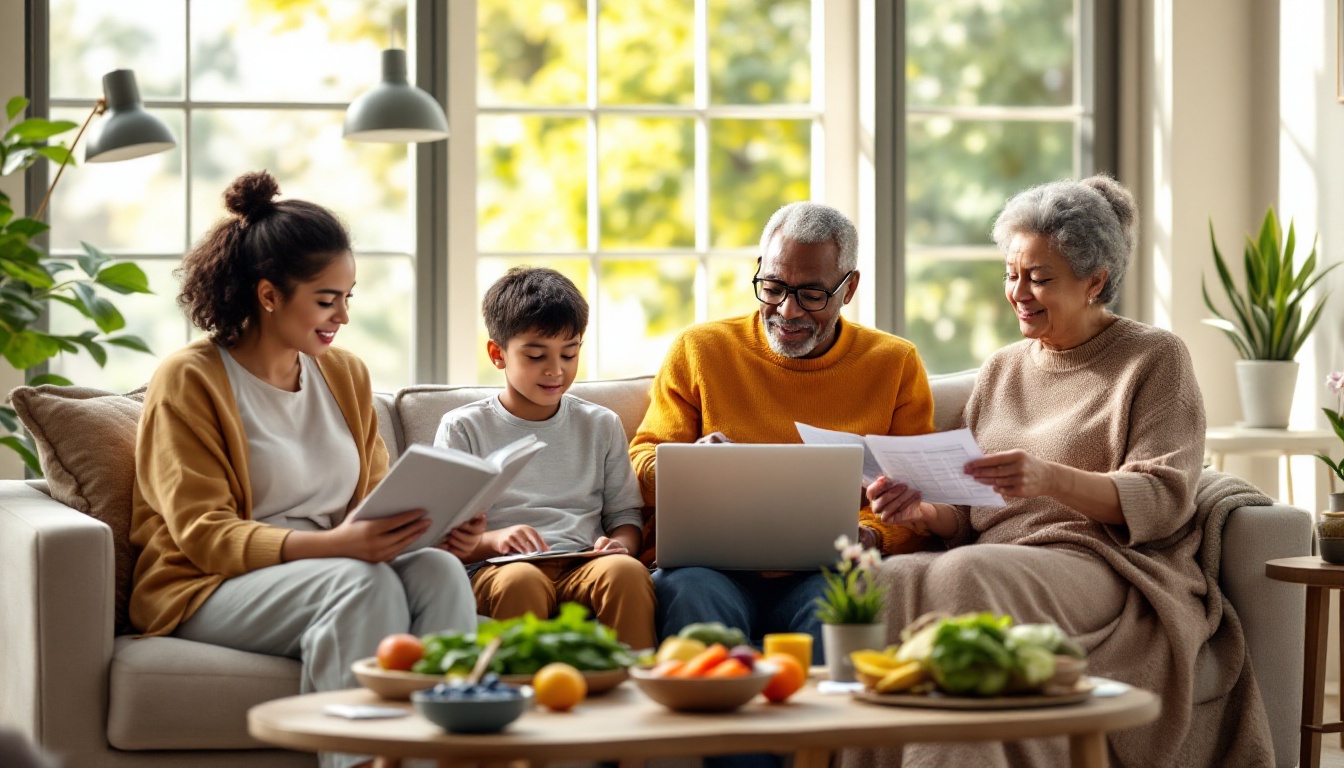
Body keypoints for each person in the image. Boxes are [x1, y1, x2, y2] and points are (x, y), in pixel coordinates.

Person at [856, 175, 1273, 767]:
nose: (1018, 292)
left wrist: (1050, 478)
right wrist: (925, 511)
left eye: (1039, 277)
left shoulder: (1154, 359)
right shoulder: (1001, 368)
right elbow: (974, 507)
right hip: (1000, 551)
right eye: (1010, 273)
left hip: (1104, 561)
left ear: (1094, 281)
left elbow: (1163, 497)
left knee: (970, 574)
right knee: (884, 582)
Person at [129, 171, 481, 768]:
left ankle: (443, 760)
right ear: (269, 295)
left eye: (348, 297)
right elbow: (202, 533)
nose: (343, 315)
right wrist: (337, 547)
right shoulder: (189, 379)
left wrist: (435, 528)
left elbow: (375, 496)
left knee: (442, 572)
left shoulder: (345, 374)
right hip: (208, 585)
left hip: (333, 562)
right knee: (358, 582)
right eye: (326, 299)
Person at [629, 201, 936, 661]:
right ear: (759, 271)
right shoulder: (701, 349)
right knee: (689, 592)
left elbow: (918, 496)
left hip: (825, 572)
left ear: (849, 288)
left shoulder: (893, 364)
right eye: (772, 288)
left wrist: (870, 534)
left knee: (842, 603)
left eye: (812, 294)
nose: (788, 311)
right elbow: (640, 461)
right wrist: (689, 461)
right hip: (707, 569)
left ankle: (808, 735)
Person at [435, 267, 655, 650]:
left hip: (584, 561)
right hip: (499, 569)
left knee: (625, 573)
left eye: (569, 353)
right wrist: (495, 540)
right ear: (497, 354)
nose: (556, 370)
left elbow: (626, 518)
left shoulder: (601, 424)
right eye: (537, 356)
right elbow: (442, 538)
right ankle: (520, 699)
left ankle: (635, 694)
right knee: (521, 581)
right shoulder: (463, 428)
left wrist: (621, 544)